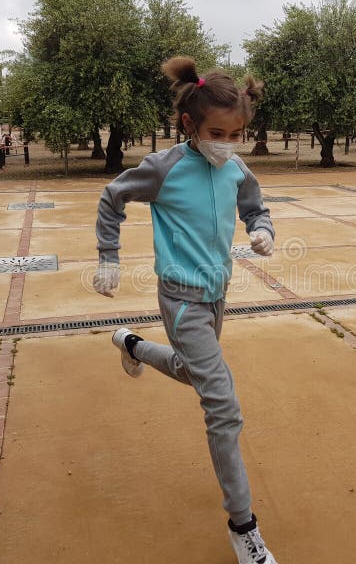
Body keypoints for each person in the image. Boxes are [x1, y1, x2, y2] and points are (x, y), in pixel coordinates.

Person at [93, 57, 278, 564]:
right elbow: (112, 198)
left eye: (238, 134)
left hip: (218, 296)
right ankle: (244, 528)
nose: (228, 144)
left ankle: (128, 343)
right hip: (180, 300)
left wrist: (262, 230)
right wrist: (109, 258)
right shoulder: (165, 168)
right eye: (218, 133)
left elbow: (255, 206)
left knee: (189, 370)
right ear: (189, 125)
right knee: (222, 404)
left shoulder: (236, 167)